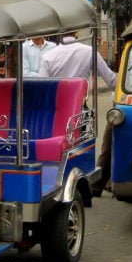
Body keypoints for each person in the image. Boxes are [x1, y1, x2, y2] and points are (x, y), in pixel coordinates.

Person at [38, 32, 117, 195]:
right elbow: (111, 80)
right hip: (78, 111)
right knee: (75, 146)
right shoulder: (89, 52)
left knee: (57, 146)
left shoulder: (48, 56)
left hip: (54, 113)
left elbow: (42, 87)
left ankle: (54, 183)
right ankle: (75, 183)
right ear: (76, 34)